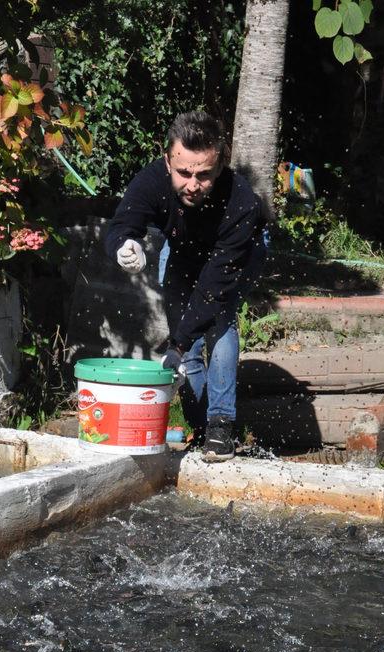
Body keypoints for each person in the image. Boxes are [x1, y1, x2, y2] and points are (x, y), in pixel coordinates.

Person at [104, 110, 268, 461]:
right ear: (168, 161)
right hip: (183, 244)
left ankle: (221, 425)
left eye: (204, 175)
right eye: (184, 173)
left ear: (220, 165)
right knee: (184, 338)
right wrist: (123, 246)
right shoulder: (151, 181)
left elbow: (212, 288)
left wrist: (177, 343)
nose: (193, 185)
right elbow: (122, 223)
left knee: (217, 320)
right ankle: (201, 425)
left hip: (237, 251)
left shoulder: (240, 203)